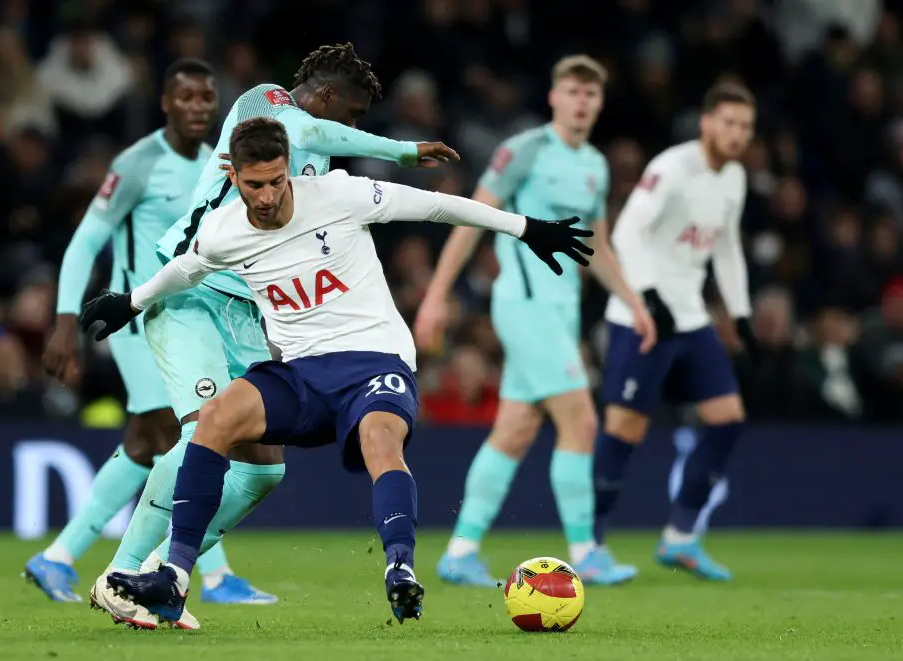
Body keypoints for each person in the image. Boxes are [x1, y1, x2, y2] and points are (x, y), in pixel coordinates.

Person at [79, 116, 595, 627]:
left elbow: (436, 206)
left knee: (380, 441)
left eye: (277, 181)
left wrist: (525, 227)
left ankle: (400, 568)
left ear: (289, 171)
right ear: (232, 177)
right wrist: (132, 300)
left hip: (374, 359)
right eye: (254, 184)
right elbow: (188, 267)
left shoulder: (339, 195)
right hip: (300, 372)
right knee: (214, 419)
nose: (266, 196)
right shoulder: (222, 231)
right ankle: (174, 578)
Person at [88, 43, 460, 630]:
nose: (353, 127)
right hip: (189, 294)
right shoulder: (267, 108)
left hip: (245, 310)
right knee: (203, 432)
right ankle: (122, 575)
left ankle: (164, 572)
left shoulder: (309, 174)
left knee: (264, 470)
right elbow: (310, 128)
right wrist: (402, 151)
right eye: (356, 113)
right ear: (331, 99)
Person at [25, 58, 275, 607]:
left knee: (147, 442)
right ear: (165, 102)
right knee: (187, 432)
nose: (197, 107)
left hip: (197, 314)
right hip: (139, 318)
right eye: (185, 97)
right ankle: (207, 575)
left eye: (207, 98)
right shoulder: (138, 164)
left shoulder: (223, 165)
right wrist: (66, 321)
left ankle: (57, 557)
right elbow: (88, 238)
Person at [413, 54, 655, 587]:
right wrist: (436, 296)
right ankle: (587, 550)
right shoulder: (523, 151)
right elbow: (469, 218)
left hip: (560, 311)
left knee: (516, 430)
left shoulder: (595, 163)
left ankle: (460, 551)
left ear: (600, 102)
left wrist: (634, 304)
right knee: (582, 422)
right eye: (573, 91)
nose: (582, 101)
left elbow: (601, 249)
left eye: (591, 94)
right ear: (554, 97)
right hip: (524, 306)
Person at [592, 81, 759, 581]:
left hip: (690, 318)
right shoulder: (671, 168)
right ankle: (590, 543)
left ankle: (681, 538)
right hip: (641, 317)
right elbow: (626, 233)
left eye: (745, 127)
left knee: (727, 419)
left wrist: (742, 312)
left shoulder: (734, 178)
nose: (736, 135)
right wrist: (645, 296)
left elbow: (726, 247)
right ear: (706, 122)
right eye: (728, 123)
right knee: (625, 430)